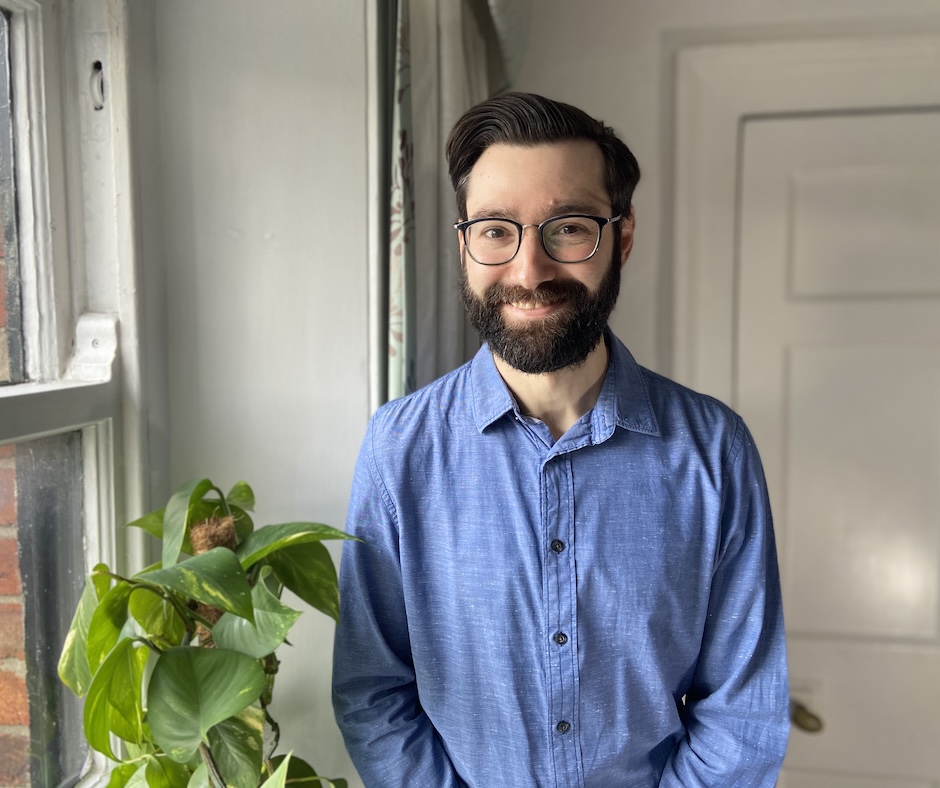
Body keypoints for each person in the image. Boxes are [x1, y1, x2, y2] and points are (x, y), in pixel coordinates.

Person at [332, 92, 789, 787]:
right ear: (464, 244)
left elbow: (743, 713)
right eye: (496, 230)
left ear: (621, 238)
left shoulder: (714, 452)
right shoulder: (399, 450)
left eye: (568, 228)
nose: (529, 271)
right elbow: (374, 692)